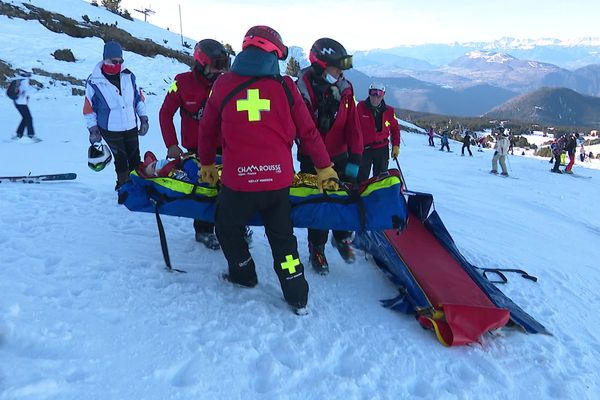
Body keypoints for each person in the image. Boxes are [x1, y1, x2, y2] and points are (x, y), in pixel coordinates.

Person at [197, 25, 338, 314]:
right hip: (277, 182)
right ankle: (297, 295)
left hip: (238, 184)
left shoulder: (223, 85)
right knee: (283, 240)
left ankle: (244, 274)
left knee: (226, 226)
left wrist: (208, 163)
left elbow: (207, 129)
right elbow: (309, 132)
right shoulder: (286, 87)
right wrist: (325, 168)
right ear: (274, 54)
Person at [295, 37, 363, 274]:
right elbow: (304, 131)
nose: (340, 73)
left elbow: (353, 127)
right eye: (336, 68)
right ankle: (317, 248)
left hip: (341, 156)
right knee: (318, 206)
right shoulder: (300, 89)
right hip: (312, 160)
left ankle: (342, 238)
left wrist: (355, 160)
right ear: (321, 66)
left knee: (344, 200)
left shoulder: (345, 88)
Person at [159, 39, 231, 250]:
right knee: (205, 190)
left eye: (222, 66)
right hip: (196, 151)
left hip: (224, 148)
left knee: (229, 190)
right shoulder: (181, 82)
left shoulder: (226, 83)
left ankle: (233, 227)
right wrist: (171, 144)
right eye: (215, 66)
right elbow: (165, 114)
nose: (219, 71)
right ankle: (204, 230)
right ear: (201, 63)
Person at [83, 40, 148, 189]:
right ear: (105, 59)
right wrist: (93, 130)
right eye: (114, 61)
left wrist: (144, 119)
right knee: (121, 158)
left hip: (130, 124)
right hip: (109, 127)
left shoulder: (129, 76)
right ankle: (123, 186)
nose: (117, 64)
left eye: (120, 61)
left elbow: (138, 99)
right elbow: (88, 109)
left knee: (134, 157)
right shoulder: (94, 81)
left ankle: (137, 186)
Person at [356, 83, 400, 182]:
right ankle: (359, 195)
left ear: (383, 95)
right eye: (373, 93)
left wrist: (396, 145)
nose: (375, 97)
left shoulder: (389, 111)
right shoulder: (361, 107)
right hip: (365, 149)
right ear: (369, 93)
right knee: (361, 178)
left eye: (379, 94)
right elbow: (353, 127)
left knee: (381, 178)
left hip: (382, 148)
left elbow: (395, 129)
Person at [10, 69, 37, 141]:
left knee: (25, 118)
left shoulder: (22, 80)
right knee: (29, 118)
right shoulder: (22, 80)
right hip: (20, 103)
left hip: (20, 103)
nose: (30, 75)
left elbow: (26, 92)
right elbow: (23, 91)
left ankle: (19, 134)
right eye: (28, 73)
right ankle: (30, 135)